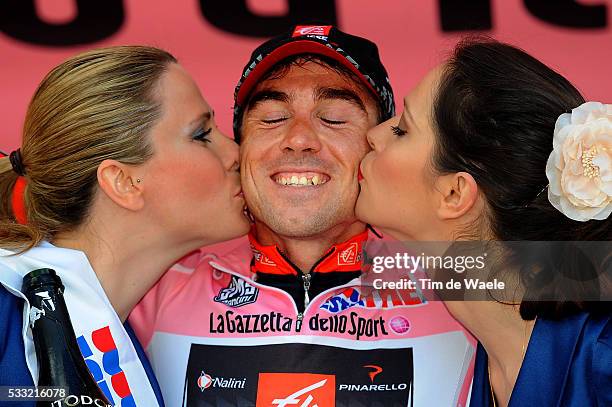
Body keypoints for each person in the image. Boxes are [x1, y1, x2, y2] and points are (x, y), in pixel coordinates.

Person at [130, 25, 475, 406]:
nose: (298, 139)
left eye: (335, 118)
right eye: (273, 117)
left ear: (378, 146)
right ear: (240, 148)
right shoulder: (153, 283)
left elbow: (550, 274)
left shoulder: (459, 273)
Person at [356, 38, 611, 406]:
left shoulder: (602, 364)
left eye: (401, 130)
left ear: (455, 194)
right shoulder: (485, 360)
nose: (373, 134)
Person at [0, 45, 249, 406]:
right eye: (201, 134)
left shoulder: (131, 346)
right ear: (123, 182)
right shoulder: (7, 306)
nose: (236, 154)